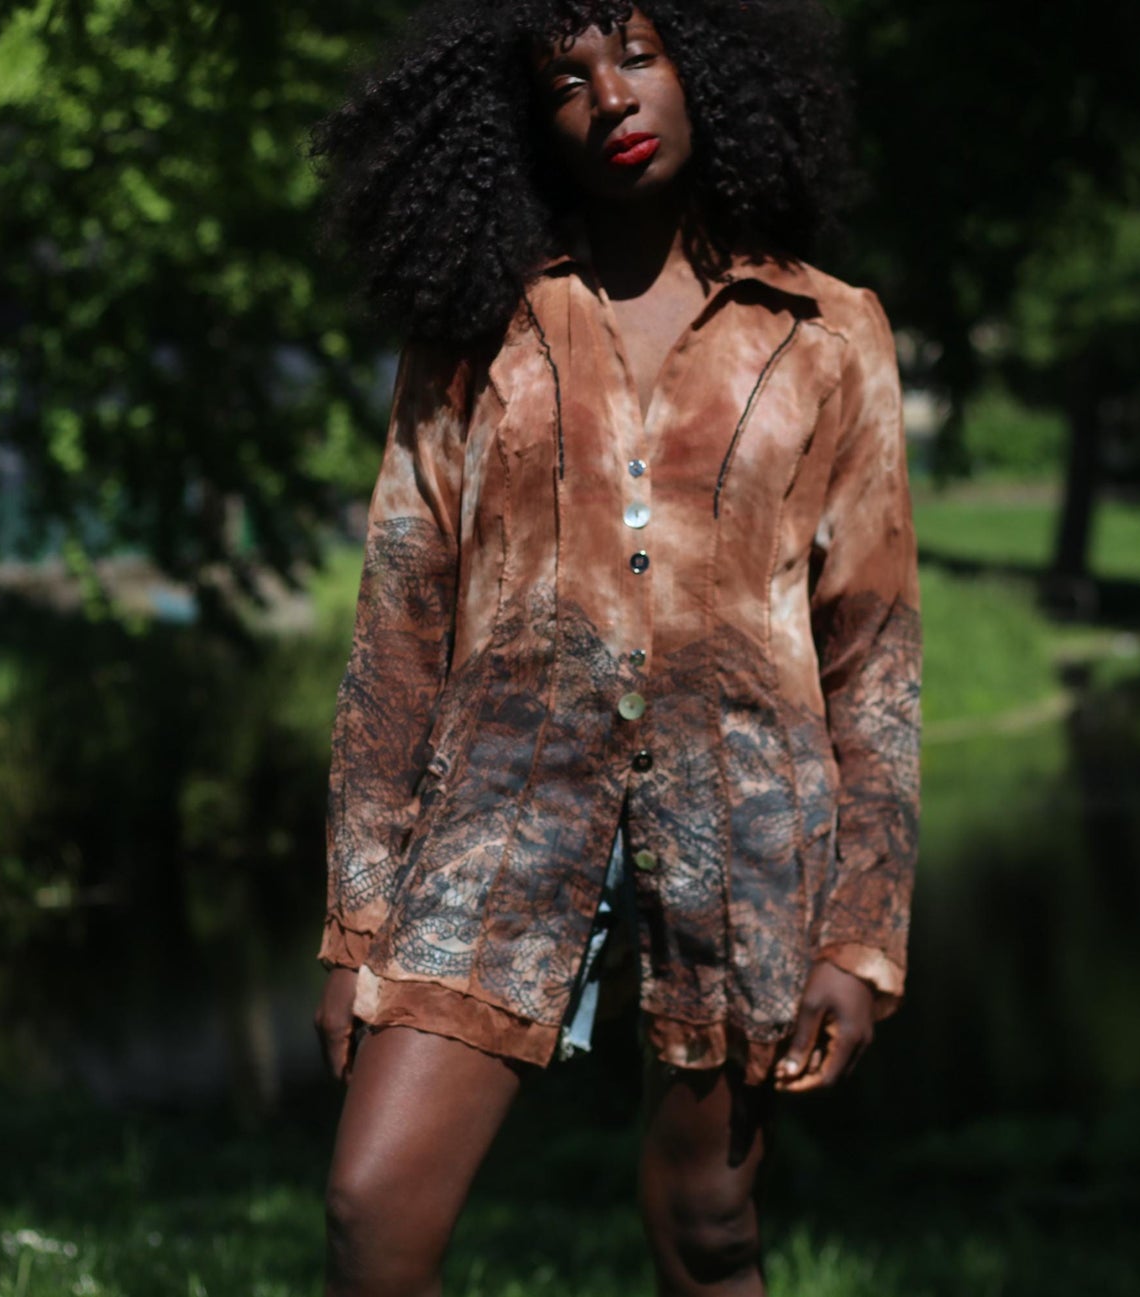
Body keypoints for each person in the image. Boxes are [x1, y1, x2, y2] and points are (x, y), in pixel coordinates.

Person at [305, 2, 920, 1293]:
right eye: (565, 79)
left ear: (709, 64)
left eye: (638, 55)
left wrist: (860, 942)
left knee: (707, 1224)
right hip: (497, 816)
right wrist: (354, 926)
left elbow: (872, 655)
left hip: (747, 831)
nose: (611, 98)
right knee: (373, 1207)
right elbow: (398, 623)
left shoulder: (827, 330)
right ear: (524, 120)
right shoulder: (477, 321)